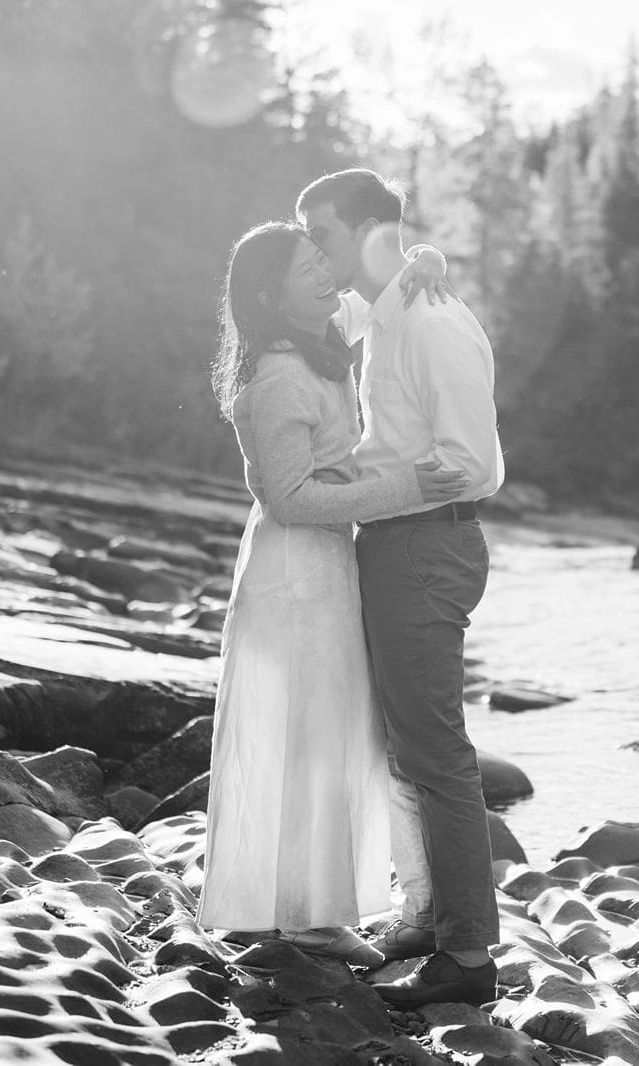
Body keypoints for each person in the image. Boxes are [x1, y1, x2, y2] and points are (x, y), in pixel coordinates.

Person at [198, 221, 463, 966]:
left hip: (324, 568)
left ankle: (295, 905)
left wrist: (426, 259)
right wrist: (403, 486)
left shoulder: (317, 336)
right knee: (309, 737)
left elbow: (374, 299)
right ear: (269, 293)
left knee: (321, 731)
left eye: (323, 258)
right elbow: (289, 497)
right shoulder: (280, 373)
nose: (327, 272)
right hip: (293, 573)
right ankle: (310, 918)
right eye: (307, 265)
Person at [297, 169, 504, 1007]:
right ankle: (427, 913)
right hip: (394, 547)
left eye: (325, 235)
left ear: (371, 228)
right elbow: (297, 311)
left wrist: (352, 490)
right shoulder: (379, 313)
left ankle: (470, 957)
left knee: (439, 754)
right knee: (406, 747)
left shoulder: (430, 324)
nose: (316, 251)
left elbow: (472, 464)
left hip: (426, 547)